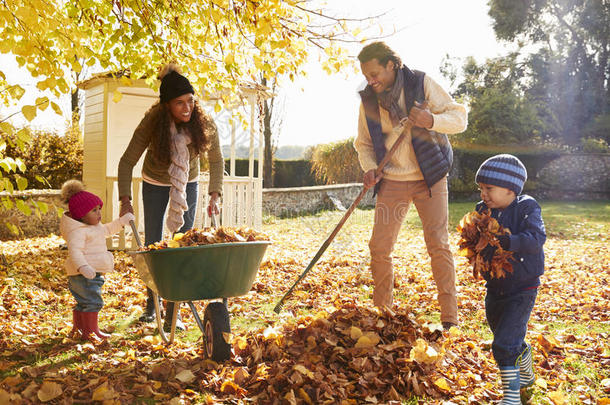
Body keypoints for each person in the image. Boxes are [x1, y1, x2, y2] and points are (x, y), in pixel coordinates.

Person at [353, 41, 467, 329]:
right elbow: (364, 144)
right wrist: (369, 168)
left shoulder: (421, 83)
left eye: (375, 73)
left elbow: (459, 118)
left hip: (430, 177)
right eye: (367, 75)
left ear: (392, 65)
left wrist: (431, 120)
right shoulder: (368, 100)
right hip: (392, 180)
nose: (371, 80)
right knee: (379, 247)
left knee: (438, 244)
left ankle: (450, 319)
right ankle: (383, 315)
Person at [118, 63, 223, 331]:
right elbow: (126, 161)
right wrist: (125, 200)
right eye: (179, 103)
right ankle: (153, 304)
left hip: (187, 183)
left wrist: (215, 194)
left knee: (182, 243)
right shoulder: (152, 124)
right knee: (153, 242)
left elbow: (216, 158)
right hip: (155, 182)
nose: (187, 108)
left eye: (190, 101)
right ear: (167, 105)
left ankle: (173, 306)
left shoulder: (203, 121)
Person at [473, 154, 545, 403]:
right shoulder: (483, 210)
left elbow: (537, 239)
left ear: (510, 188)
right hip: (495, 286)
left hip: (523, 286)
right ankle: (523, 357)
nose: (483, 194)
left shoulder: (527, 207)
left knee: (503, 344)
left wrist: (510, 241)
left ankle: (511, 397)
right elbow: (477, 239)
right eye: (481, 188)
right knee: (504, 336)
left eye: (489, 188)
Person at [60, 180, 135, 342]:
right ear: (81, 214)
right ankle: (91, 332)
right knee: (92, 302)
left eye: (99, 209)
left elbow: (108, 229)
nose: (99, 213)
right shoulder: (78, 232)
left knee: (83, 303)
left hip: (90, 272)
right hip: (84, 274)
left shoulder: (94, 226)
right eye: (94, 210)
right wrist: (83, 267)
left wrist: (122, 222)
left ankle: (80, 329)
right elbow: (75, 252)